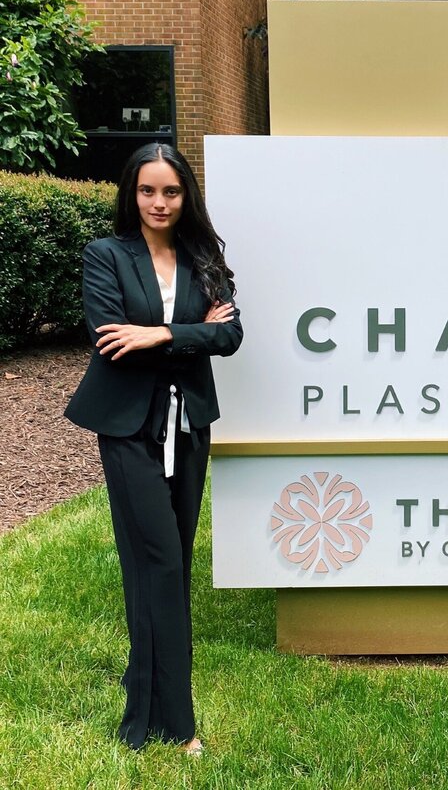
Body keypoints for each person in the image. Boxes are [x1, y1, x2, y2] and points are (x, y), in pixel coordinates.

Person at [65, 142, 242, 754]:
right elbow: (109, 338)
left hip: (188, 423)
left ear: (185, 195)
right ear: (131, 194)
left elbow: (231, 336)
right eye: (148, 190)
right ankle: (177, 722)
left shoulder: (202, 257)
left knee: (167, 567)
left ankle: (144, 702)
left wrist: (161, 332)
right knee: (160, 561)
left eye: (170, 191)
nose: (159, 202)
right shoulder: (105, 255)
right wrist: (193, 333)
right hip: (127, 426)